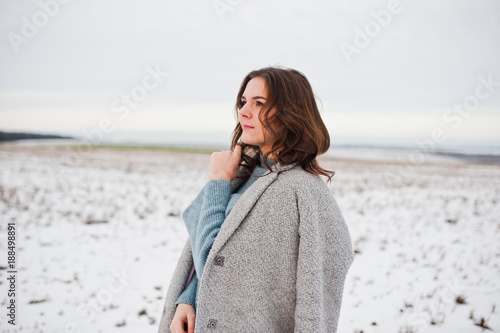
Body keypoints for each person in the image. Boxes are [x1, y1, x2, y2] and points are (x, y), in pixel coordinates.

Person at [158, 66, 354, 333]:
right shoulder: (245, 174)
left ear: (290, 113)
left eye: (259, 103)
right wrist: (189, 299)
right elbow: (213, 260)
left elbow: (220, 267)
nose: (243, 111)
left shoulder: (301, 192)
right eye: (243, 102)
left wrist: (217, 184)